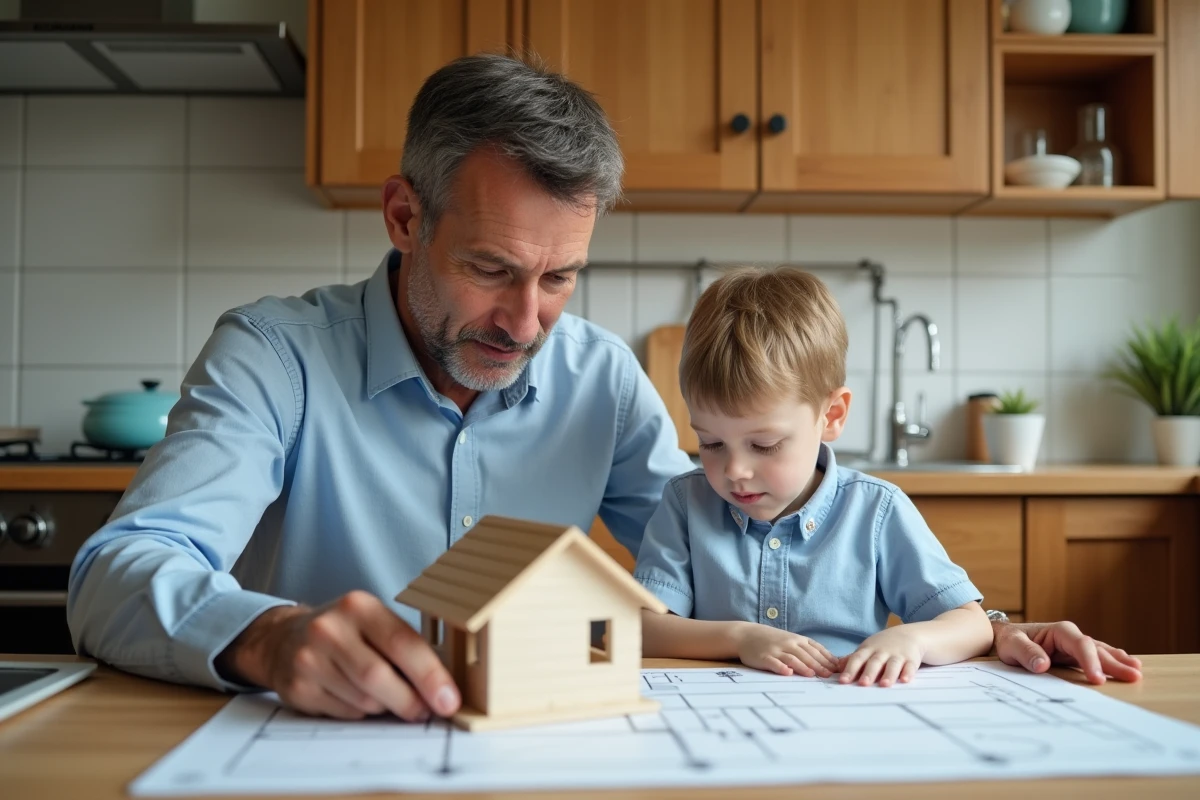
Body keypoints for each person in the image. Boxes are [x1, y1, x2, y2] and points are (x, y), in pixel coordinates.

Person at [66, 55, 1140, 723]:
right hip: (311, 757)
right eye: (491, 268)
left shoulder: (599, 377)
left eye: (561, 277)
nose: (527, 322)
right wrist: (267, 637)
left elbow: (726, 538)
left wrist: (982, 623)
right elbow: (116, 573)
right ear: (404, 217)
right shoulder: (274, 356)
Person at [633, 268, 1140, 688]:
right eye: (711, 443)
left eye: (764, 445)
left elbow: (971, 624)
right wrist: (740, 638)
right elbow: (640, 627)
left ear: (832, 415)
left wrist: (912, 639)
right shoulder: (685, 503)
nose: (734, 470)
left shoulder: (876, 509)